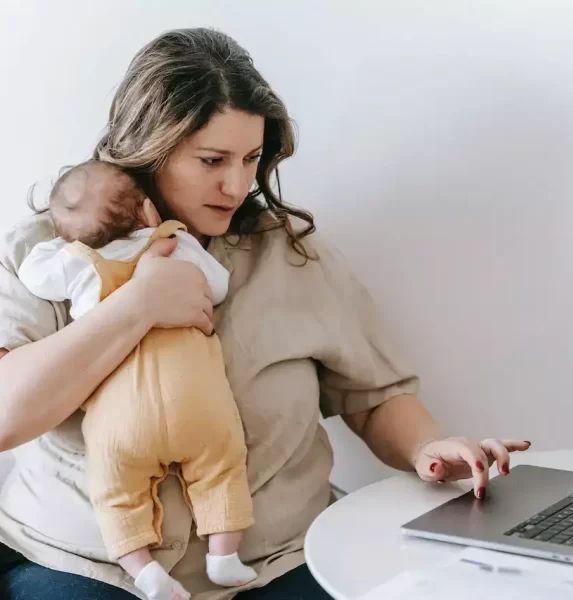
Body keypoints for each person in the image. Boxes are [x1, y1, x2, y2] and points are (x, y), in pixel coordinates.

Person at [0, 28, 530, 600]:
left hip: (280, 560)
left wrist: (427, 449)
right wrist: (137, 305)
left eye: (251, 158)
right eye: (212, 160)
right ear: (149, 146)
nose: (237, 184)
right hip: (84, 563)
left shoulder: (291, 253)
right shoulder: (46, 255)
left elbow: (375, 396)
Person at [17, 160, 258, 599]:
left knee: (114, 491)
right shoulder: (173, 242)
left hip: (121, 416)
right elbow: (218, 286)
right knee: (223, 466)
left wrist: (64, 241)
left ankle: (143, 570)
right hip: (197, 400)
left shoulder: (80, 264)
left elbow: (36, 274)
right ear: (148, 209)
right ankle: (223, 555)